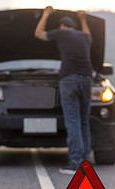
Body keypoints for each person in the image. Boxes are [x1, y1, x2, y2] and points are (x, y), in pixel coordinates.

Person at [34, 6, 93, 175]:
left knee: (73, 121)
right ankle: (85, 162)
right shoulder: (84, 37)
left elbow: (38, 33)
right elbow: (89, 35)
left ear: (63, 27)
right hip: (87, 79)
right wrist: (83, 19)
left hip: (70, 80)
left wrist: (45, 14)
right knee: (84, 122)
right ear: (75, 27)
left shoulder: (61, 34)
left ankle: (75, 163)